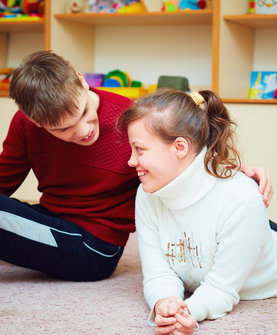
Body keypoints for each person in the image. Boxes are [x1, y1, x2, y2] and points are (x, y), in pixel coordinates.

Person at [0, 50, 272, 282]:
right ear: (35, 121)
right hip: (52, 218)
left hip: (94, 246)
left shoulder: (130, 118)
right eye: (63, 129)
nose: (83, 130)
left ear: (82, 82)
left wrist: (234, 173)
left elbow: (187, 163)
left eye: (84, 112)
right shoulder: (24, 126)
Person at [117, 88, 277, 335]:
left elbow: (222, 289)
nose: (130, 161)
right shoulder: (146, 194)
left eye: (139, 149)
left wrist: (189, 312)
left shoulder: (241, 200)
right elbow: (158, 273)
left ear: (179, 147)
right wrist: (165, 304)